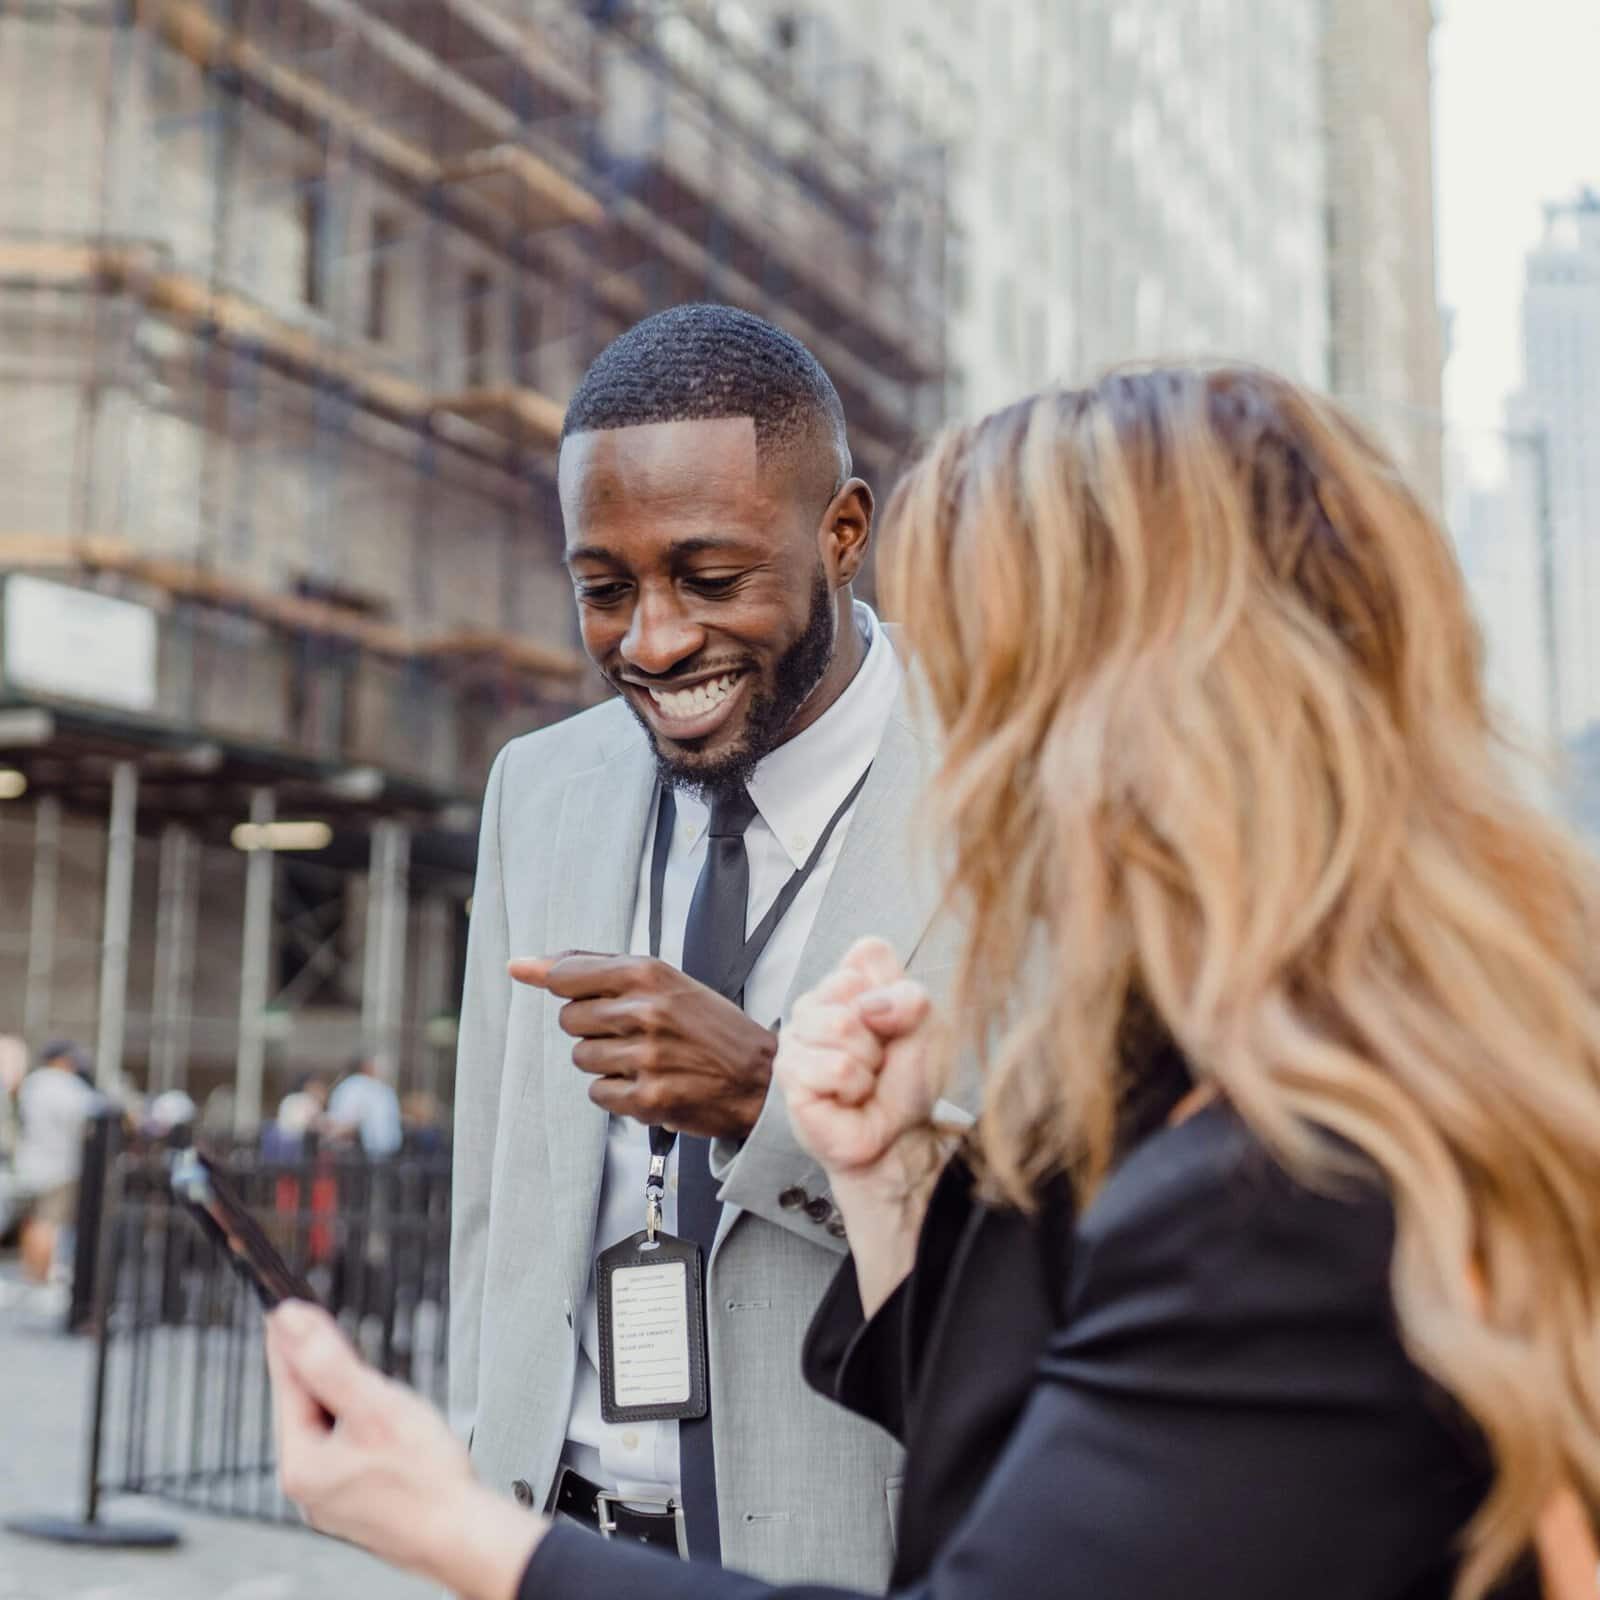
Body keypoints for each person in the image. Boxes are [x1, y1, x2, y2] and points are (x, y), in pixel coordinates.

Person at [267, 365, 1600, 1599]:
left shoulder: (1291, 1193)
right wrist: (885, 1182)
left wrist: (450, 1527)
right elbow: (1034, 1444)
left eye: (985, 681)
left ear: (1144, 722)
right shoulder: (1273, 1087)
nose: (955, 752)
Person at [448, 303, 959, 1584]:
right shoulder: (538, 786)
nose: (654, 641)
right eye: (603, 590)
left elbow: (1064, 1252)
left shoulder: (1013, 800)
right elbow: (491, 1205)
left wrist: (763, 1094)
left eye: (711, 579)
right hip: (552, 1543)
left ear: (842, 532)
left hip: (854, 1561)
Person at [14, 1040, 98, 1284]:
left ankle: (31, 1272)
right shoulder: (67, 1085)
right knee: (48, 1222)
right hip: (59, 1165)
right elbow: (87, 1119)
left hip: (31, 1161)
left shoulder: (33, 1082)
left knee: (33, 1221)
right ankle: (41, 1276)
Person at [326, 1057, 402, 1159]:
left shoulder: (375, 1087)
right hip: (367, 1149)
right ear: (365, 1067)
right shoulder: (357, 1086)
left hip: (368, 1148)